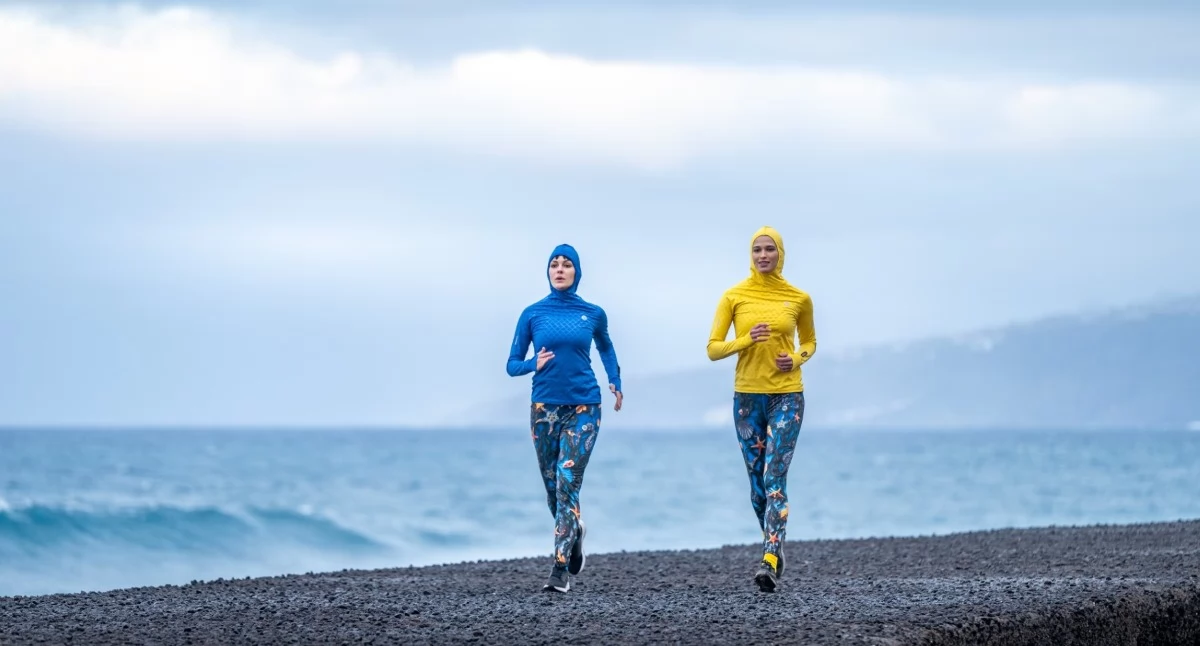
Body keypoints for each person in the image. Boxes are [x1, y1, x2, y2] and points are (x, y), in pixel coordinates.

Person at [506, 243, 623, 593]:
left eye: (566, 264)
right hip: (544, 409)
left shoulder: (593, 313)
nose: (559, 269)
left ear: (577, 272)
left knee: (567, 479)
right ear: (548, 272)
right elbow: (512, 364)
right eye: (554, 264)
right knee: (553, 490)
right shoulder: (532, 314)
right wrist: (533, 364)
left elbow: (606, 347)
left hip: (585, 405)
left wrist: (614, 380)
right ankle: (575, 535)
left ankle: (559, 569)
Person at [706, 225, 817, 593]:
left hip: (788, 395)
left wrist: (797, 358)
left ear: (780, 253)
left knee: (774, 479)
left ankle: (769, 557)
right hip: (747, 399)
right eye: (757, 250)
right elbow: (712, 348)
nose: (763, 255)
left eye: (770, 249)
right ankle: (775, 542)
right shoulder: (734, 296)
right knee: (757, 489)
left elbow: (810, 341)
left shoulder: (798, 298)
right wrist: (744, 340)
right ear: (750, 255)